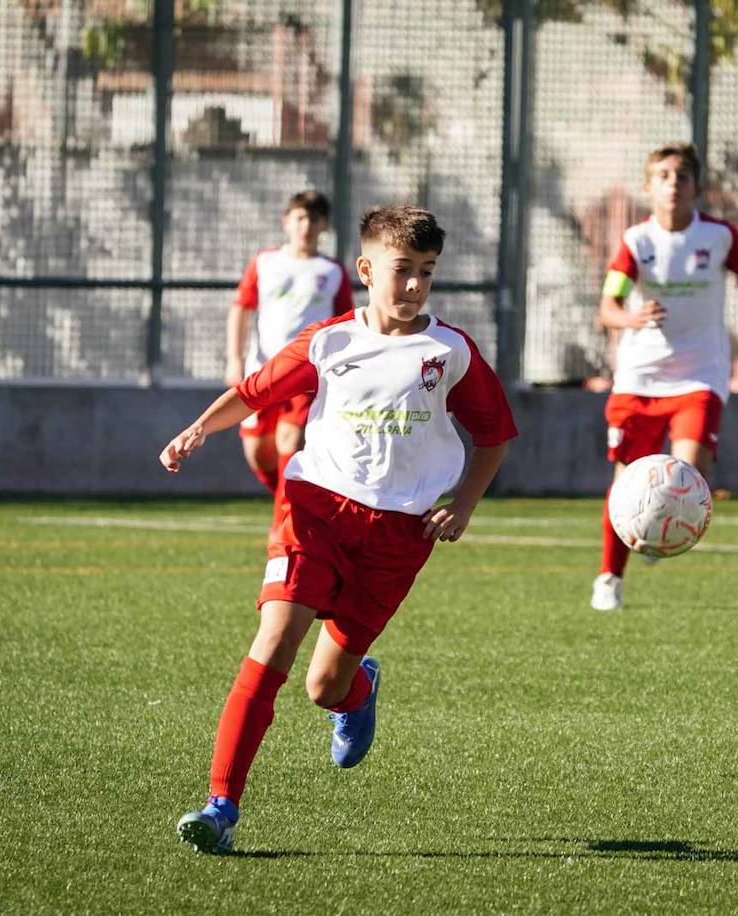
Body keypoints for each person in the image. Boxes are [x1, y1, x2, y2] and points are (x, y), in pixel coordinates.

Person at [161, 205, 518, 853]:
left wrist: (463, 504)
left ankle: (360, 691)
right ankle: (220, 806)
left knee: (324, 686)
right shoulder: (330, 341)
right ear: (365, 268)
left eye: (427, 273)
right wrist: (197, 429)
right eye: (402, 270)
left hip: (400, 533)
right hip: (314, 505)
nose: (414, 286)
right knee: (275, 637)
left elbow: (494, 435)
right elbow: (256, 390)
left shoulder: (450, 352)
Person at [591, 143, 738, 611]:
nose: (673, 183)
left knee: (690, 472)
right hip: (639, 378)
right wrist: (630, 320)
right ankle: (609, 578)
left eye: (682, 175)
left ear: (696, 186)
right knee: (627, 482)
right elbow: (609, 305)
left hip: (699, 375)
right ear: (648, 186)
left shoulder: (718, 238)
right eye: (663, 175)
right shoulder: (637, 242)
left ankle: (657, 527)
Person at [226, 190, 355, 515]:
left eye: (314, 218)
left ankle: (288, 523)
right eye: (300, 217)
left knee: (291, 442)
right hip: (263, 370)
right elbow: (241, 309)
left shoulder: (332, 271)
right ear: (286, 222)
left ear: (324, 225)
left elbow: (345, 323)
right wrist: (235, 358)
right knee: (258, 452)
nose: (306, 225)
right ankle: (296, 503)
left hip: (308, 374)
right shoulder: (265, 262)